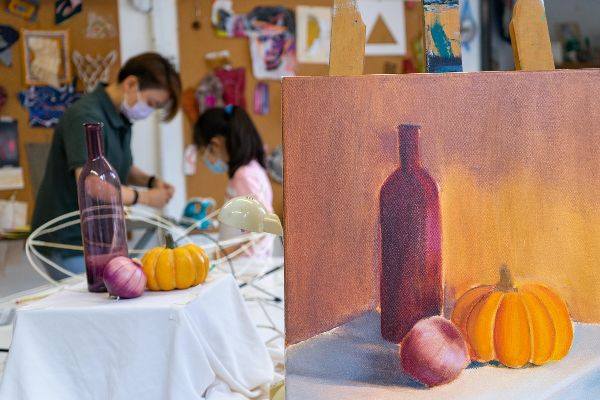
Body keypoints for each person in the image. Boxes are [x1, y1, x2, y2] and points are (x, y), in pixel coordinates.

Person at [31, 52, 182, 279]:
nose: (148, 111)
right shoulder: (86, 116)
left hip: (98, 238)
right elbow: (91, 184)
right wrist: (146, 198)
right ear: (130, 84)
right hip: (67, 239)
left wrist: (151, 181)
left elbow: (120, 167)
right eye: (151, 103)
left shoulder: (120, 119)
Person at [193, 104, 274, 259]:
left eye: (204, 152)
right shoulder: (250, 168)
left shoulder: (243, 176)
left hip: (246, 265)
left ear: (215, 145)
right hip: (243, 263)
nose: (206, 159)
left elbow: (264, 225)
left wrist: (226, 254)